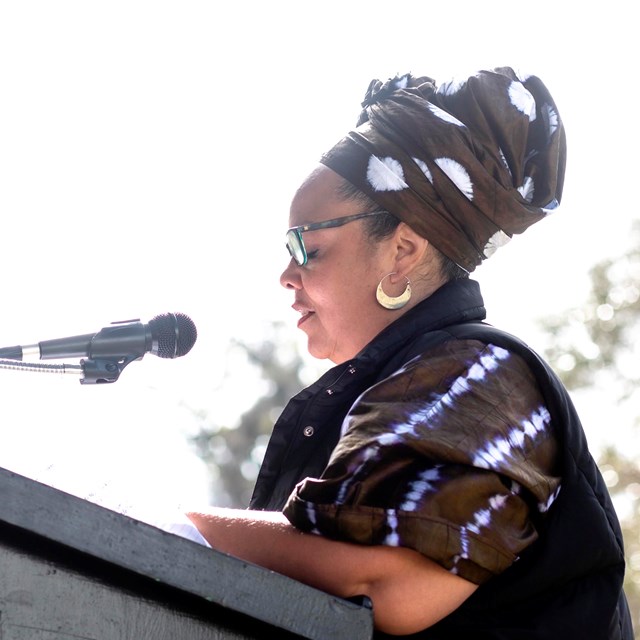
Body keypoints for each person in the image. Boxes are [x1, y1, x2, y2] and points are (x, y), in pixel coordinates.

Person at [186, 67, 633, 638]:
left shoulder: (477, 378)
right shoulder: (413, 381)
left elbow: (388, 579)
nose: (286, 275)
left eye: (309, 246)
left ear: (401, 250)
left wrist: (168, 526)